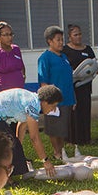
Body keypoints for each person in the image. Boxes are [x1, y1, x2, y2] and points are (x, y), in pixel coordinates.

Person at [0, 85, 60, 178]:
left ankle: (5, 175)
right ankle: (3, 177)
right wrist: (45, 161)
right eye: (53, 106)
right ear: (45, 102)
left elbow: (22, 126)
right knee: (4, 147)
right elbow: (34, 138)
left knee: (13, 145)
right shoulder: (33, 105)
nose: (53, 109)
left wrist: (18, 148)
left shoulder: (32, 99)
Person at [37, 26, 75, 160]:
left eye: (62, 40)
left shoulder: (64, 57)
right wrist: (49, 101)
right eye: (58, 40)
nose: (61, 43)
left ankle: (62, 149)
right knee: (54, 127)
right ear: (49, 41)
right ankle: (56, 152)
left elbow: (69, 79)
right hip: (53, 101)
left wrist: (73, 99)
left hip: (67, 99)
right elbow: (43, 82)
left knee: (63, 127)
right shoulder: (45, 58)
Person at [63, 24, 96, 145]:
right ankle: (72, 139)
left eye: (80, 34)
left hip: (85, 86)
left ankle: (86, 138)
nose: (78, 37)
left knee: (85, 111)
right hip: (71, 87)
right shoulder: (65, 50)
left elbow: (95, 64)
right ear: (69, 36)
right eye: (75, 34)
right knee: (73, 113)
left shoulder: (87, 49)